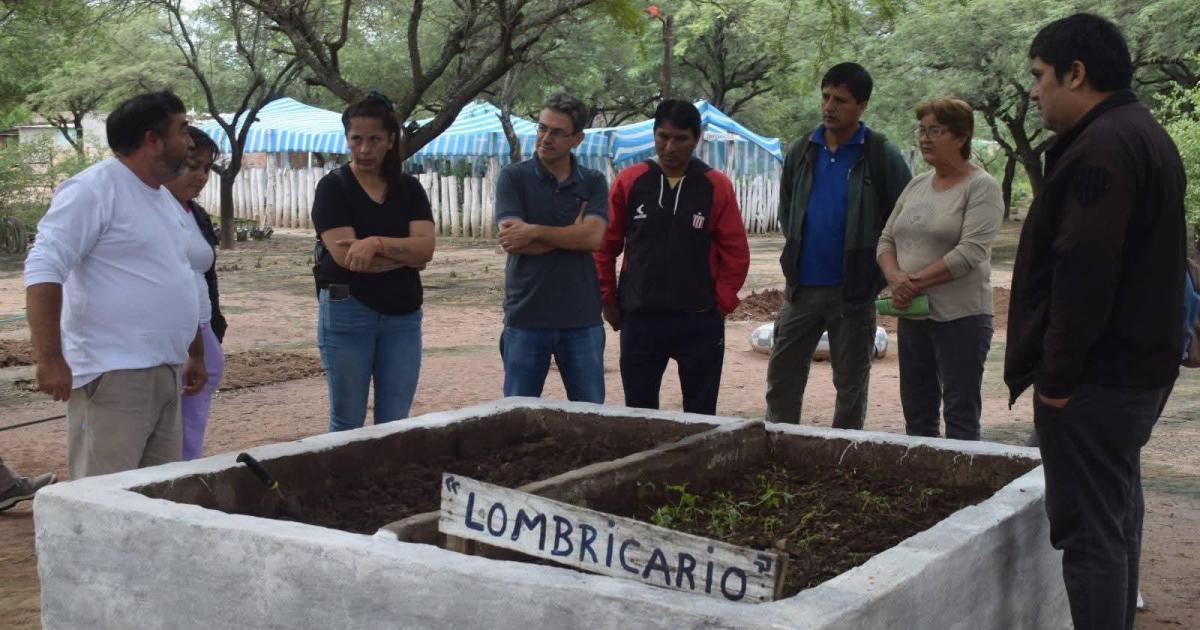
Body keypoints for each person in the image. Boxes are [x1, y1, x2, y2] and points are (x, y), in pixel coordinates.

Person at [1006, 14, 1186, 630]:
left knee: (1089, 537)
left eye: (1039, 76)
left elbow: (1084, 272)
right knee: (1113, 518)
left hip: (1097, 379)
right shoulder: (1141, 133)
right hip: (1133, 370)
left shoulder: (1103, 146)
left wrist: (1055, 381)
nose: (1033, 92)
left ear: (1075, 74)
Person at [24, 90, 206, 479]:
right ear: (151, 139)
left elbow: (174, 277)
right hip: (114, 376)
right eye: (182, 130)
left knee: (158, 498)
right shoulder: (93, 189)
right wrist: (50, 358)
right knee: (103, 502)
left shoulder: (163, 199)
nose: (189, 142)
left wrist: (191, 351)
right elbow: (43, 268)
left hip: (164, 370)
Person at [765, 62, 912, 429]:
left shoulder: (880, 154)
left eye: (841, 100)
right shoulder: (803, 150)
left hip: (854, 293)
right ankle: (780, 446)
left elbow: (904, 216)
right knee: (782, 380)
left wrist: (878, 271)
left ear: (862, 105)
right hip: (801, 291)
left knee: (849, 387)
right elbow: (787, 209)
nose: (829, 106)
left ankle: (843, 458)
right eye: (826, 96)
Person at [594, 99, 749, 415]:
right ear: (653, 135)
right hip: (640, 317)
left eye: (680, 138)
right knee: (638, 413)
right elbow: (604, 246)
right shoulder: (629, 181)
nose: (670, 146)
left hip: (700, 319)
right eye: (663, 136)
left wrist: (720, 304)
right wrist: (608, 299)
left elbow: (735, 251)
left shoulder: (715, 186)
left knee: (701, 414)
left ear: (696, 138)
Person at [877, 97, 1003, 441]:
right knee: (917, 415)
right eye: (922, 130)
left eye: (936, 130)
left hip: (962, 319)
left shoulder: (981, 187)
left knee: (960, 416)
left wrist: (911, 282)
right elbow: (886, 239)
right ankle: (923, 490)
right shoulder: (917, 184)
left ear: (961, 137)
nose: (925, 138)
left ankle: (963, 490)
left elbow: (970, 253)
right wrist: (894, 277)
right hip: (913, 315)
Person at [311, 93, 435, 432]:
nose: (364, 149)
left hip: (403, 316)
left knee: (394, 423)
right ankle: (342, 485)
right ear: (347, 139)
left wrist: (375, 244)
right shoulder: (333, 188)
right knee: (347, 420)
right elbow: (346, 258)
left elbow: (425, 250)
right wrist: (405, 254)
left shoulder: (409, 190)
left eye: (374, 139)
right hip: (348, 312)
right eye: (356, 139)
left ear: (390, 140)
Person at [495, 94, 608, 402]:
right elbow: (511, 241)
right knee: (517, 417)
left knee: (591, 418)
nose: (545, 138)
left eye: (557, 132)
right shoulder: (513, 177)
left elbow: (593, 239)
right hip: (526, 317)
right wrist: (571, 233)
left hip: (582, 319)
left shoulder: (594, 181)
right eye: (542, 128)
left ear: (577, 139)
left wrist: (533, 231)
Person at [164, 127, 228, 460]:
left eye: (206, 167)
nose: (201, 175)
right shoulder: (160, 208)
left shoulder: (193, 211)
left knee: (189, 423)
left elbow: (203, 273)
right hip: (178, 334)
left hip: (200, 329)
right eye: (192, 165)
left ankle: (184, 475)